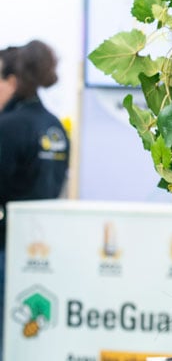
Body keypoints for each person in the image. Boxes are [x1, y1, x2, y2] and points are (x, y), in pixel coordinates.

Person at [0, 41, 70, 352]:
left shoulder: (9, 127)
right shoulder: (55, 127)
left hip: (6, 250)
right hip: (44, 252)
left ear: (12, 80)